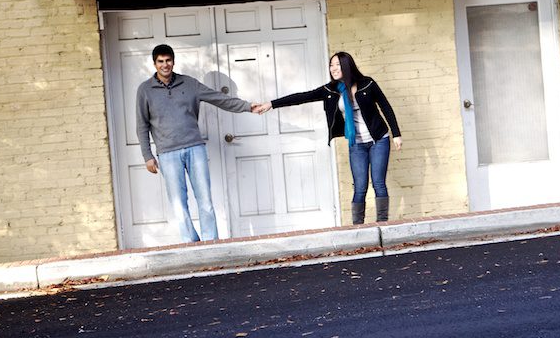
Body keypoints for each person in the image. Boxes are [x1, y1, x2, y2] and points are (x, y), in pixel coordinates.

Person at [256, 52, 401, 224]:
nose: (333, 68)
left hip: (379, 139)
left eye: (337, 65)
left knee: (378, 184)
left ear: (347, 66)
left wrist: (396, 134)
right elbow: (303, 97)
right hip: (357, 144)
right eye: (331, 65)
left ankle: (383, 226)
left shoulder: (367, 84)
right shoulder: (330, 90)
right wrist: (271, 104)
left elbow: (386, 106)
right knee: (360, 188)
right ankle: (358, 230)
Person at [136, 44, 259, 243]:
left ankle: (211, 243)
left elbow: (219, 99)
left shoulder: (189, 84)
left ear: (173, 61)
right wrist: (147, 155)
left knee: (205, 200)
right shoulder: (145, 90)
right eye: (161, 61)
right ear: (155, 64)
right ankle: (190, 244)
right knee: (178, 204)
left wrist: (247, 107)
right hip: (167, 153)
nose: (165, 65)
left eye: (168, 60)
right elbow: (141, 124)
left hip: (195, 147)